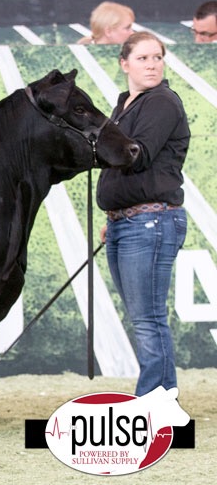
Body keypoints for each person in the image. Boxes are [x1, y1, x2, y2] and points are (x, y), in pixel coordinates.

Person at [97, 31, 189, 397]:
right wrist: (114, 215)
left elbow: (137, 155)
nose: (152, 65)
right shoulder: (127, 103)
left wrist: (89, 148)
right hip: (127, 221)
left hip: (150, 221)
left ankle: (156, 400)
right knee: (143, 318)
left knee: (148, 319)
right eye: (143, 58)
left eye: (157, 58)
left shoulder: (161, 101)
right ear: (124, 64)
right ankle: (157, 397)